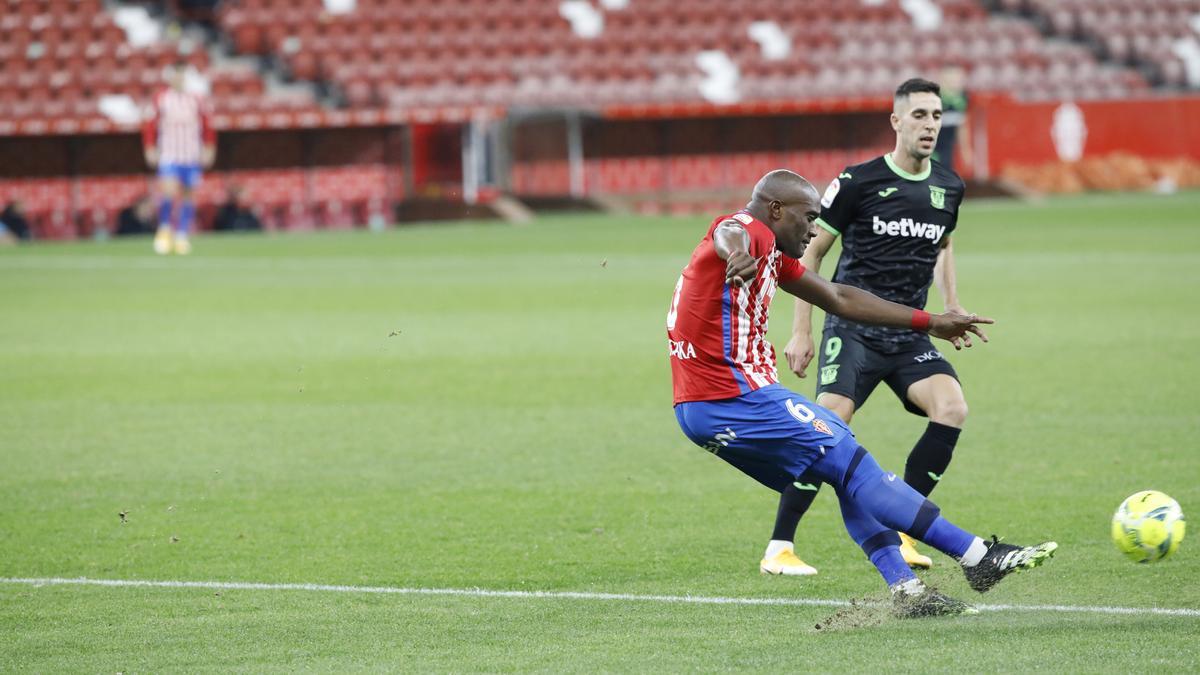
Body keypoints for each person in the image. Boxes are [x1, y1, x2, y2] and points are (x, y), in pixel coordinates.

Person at [668, 169, 1056, 616]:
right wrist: (736, 253)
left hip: (711, 405)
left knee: (843, 468)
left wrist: (931, 322)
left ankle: (907, 591)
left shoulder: (772, 253)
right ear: (776, 209)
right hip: (733, 398)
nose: (814, 229)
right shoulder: (749, 232)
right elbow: (729, 229)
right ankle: (977, 556)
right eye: (808, 217)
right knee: (853, 465)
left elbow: (839, 297)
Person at [761, 78, 973, 577]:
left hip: (908, 333)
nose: (929, 125)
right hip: (853, 329)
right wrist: (802, 330)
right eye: (919, 115)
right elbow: (810, 252)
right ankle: (780, 547)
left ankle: (905, 531)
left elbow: (942, 246)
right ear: (897, 122)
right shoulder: (858, 182)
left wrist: (953, 304)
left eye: (937, 116)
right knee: (825, 430)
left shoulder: (949, 187)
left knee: (952, 406)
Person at [142, 59, 215, 255]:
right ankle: (165, 229)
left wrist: (209, 148)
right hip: (169, 153)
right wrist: (149, 147)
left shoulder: (197, 99)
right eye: (176, 74)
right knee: (168, 191)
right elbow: (150, 125)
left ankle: (182, 234)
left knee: (188, 195)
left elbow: (208, 125)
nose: (179, 78)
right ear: (170, 76)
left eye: (183, 74)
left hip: (190, 154)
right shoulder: (161, 98)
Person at [934, 65, 971, 174]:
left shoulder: (962, 99)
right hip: (931, 148)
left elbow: (962, 126)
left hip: (948, 149)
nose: (957, 82)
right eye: (952, 80)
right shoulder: (934, 99)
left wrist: (966, 150)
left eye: (959, 79)